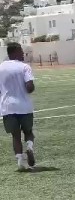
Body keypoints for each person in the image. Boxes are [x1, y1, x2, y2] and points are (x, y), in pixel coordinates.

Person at [0, 42, 37, 171]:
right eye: (21, 51)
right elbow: (30, 87)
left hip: (7, 107)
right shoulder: (24, 67)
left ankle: (21, 162)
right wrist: (30, 87)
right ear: (14, 52)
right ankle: (30, 147)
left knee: (15, 136)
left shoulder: (1, 67)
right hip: (24, 106)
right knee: (28, 132)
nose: (23, 53)